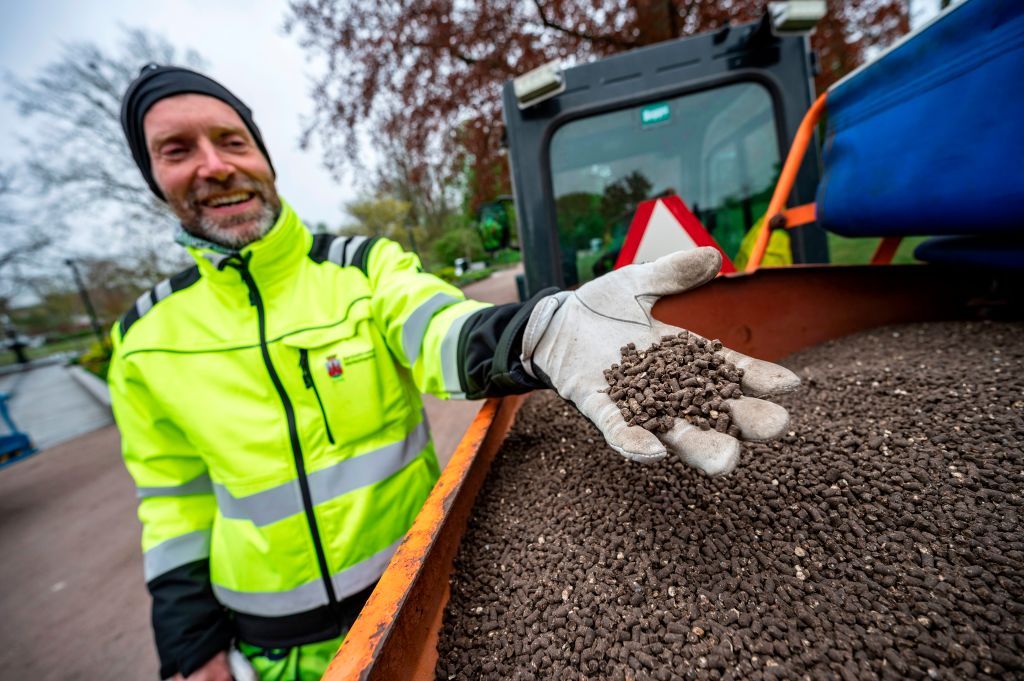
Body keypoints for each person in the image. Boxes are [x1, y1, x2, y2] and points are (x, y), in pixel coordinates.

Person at [111, 65, 799, 681]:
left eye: (231, 140)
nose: (213, 165)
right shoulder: (142, 336)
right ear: (153, 176)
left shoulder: (360, 267)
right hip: (271, 649)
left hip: (418, 595)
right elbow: (171, 501)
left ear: (261, 154)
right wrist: (191, 647)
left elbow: (438, 328)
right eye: (177, 150)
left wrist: (540, 329)